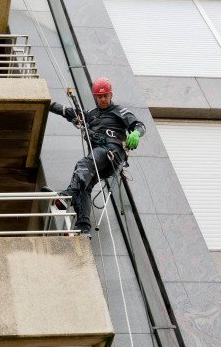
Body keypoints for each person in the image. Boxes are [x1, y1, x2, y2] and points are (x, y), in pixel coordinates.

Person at [42, 78, 145, 236]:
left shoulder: (119, 111)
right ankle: (83, 226)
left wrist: (136, 133)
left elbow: (139, 125)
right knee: (86, 184)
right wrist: (46, 103)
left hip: (112, 152)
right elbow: (68, 112)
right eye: (99, 96)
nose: (103, 99)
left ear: (111, 95)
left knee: (83, 163)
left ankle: (66, 195)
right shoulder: (90, 114)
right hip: (101, 160)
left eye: (106, 96)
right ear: (95, 97)